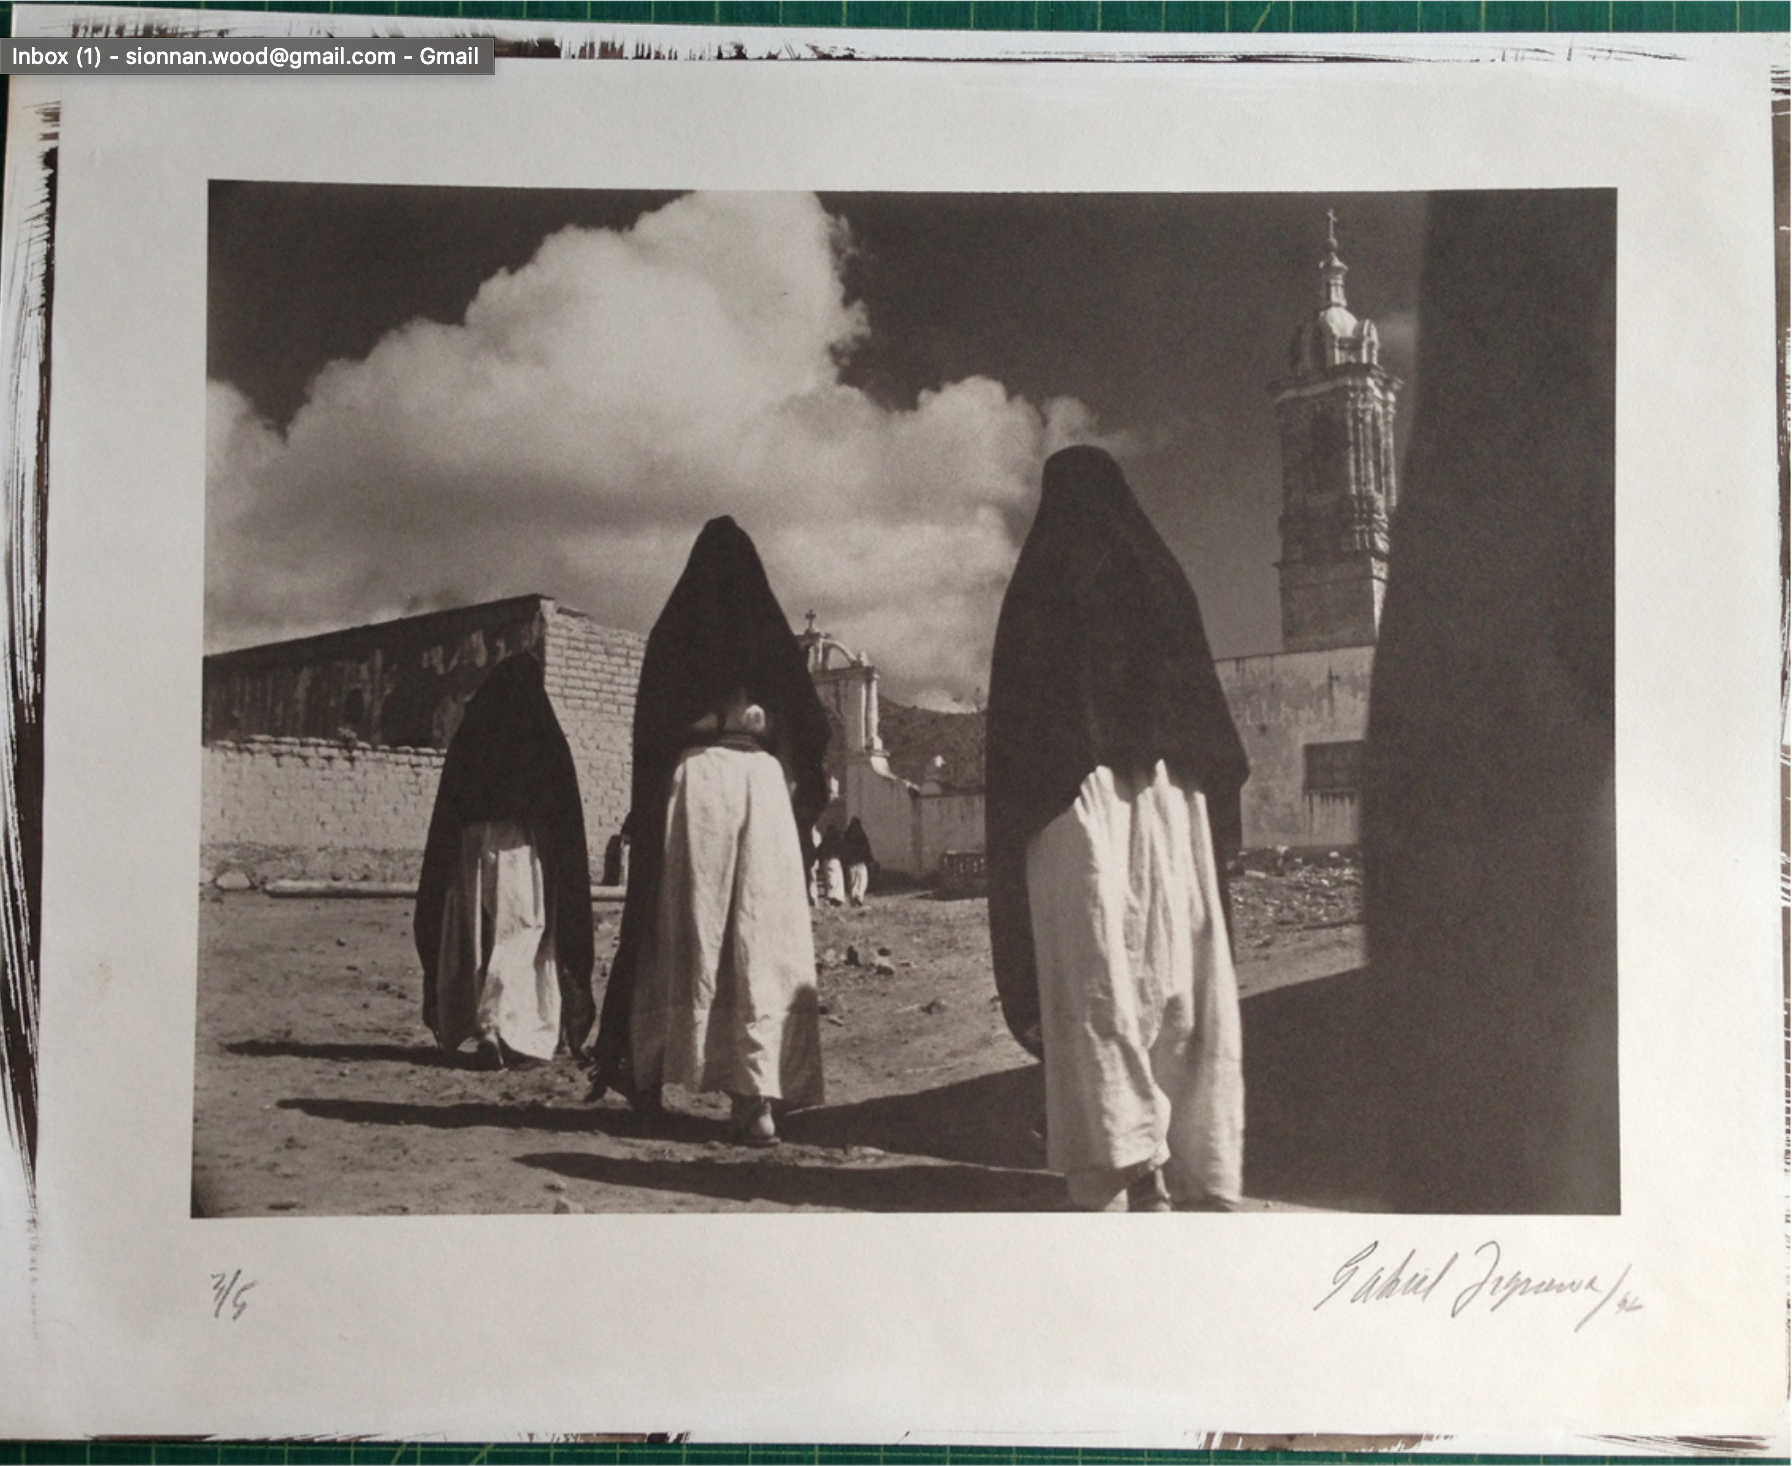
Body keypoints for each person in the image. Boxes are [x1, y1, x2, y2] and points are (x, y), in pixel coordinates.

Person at [985, 445, 1249, 1212]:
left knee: (1098, 981)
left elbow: (1019, 741)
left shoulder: (1039, 585)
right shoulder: (1159, 575)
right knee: (1177, 982)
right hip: (1170, 801)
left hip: (1081, 807)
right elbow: (1202, 711)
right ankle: (1190, 1163)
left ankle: (1133, 1162)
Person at [591, 516, 831, 1146]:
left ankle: (649, 1078)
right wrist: (799, 775)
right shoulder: (769, 635)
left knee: (679, 928)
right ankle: (753, 1100)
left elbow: (650, 729)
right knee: (760, 937)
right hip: (760, 785)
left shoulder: (677, 631)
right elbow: (810, 722)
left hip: (693, 784)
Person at [414, 652, 595, 1069]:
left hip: (470, 846)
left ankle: (484, 1025)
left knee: (479, 932)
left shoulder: (474, 730)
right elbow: (559, 804)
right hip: (519, 845)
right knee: (519, 933)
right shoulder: (539, 729)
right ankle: (499, 1026)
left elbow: (451, 803)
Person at [840, 816, 874, 907]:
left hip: (851, 864)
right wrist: (870, 860)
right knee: (862, 881)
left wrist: (844, 862)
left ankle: (853, 899)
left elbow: (843, 850)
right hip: (860, 863)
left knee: (853, 882)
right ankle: (859, 897)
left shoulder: (847, 836)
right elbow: (866, 849)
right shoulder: (861, 836)